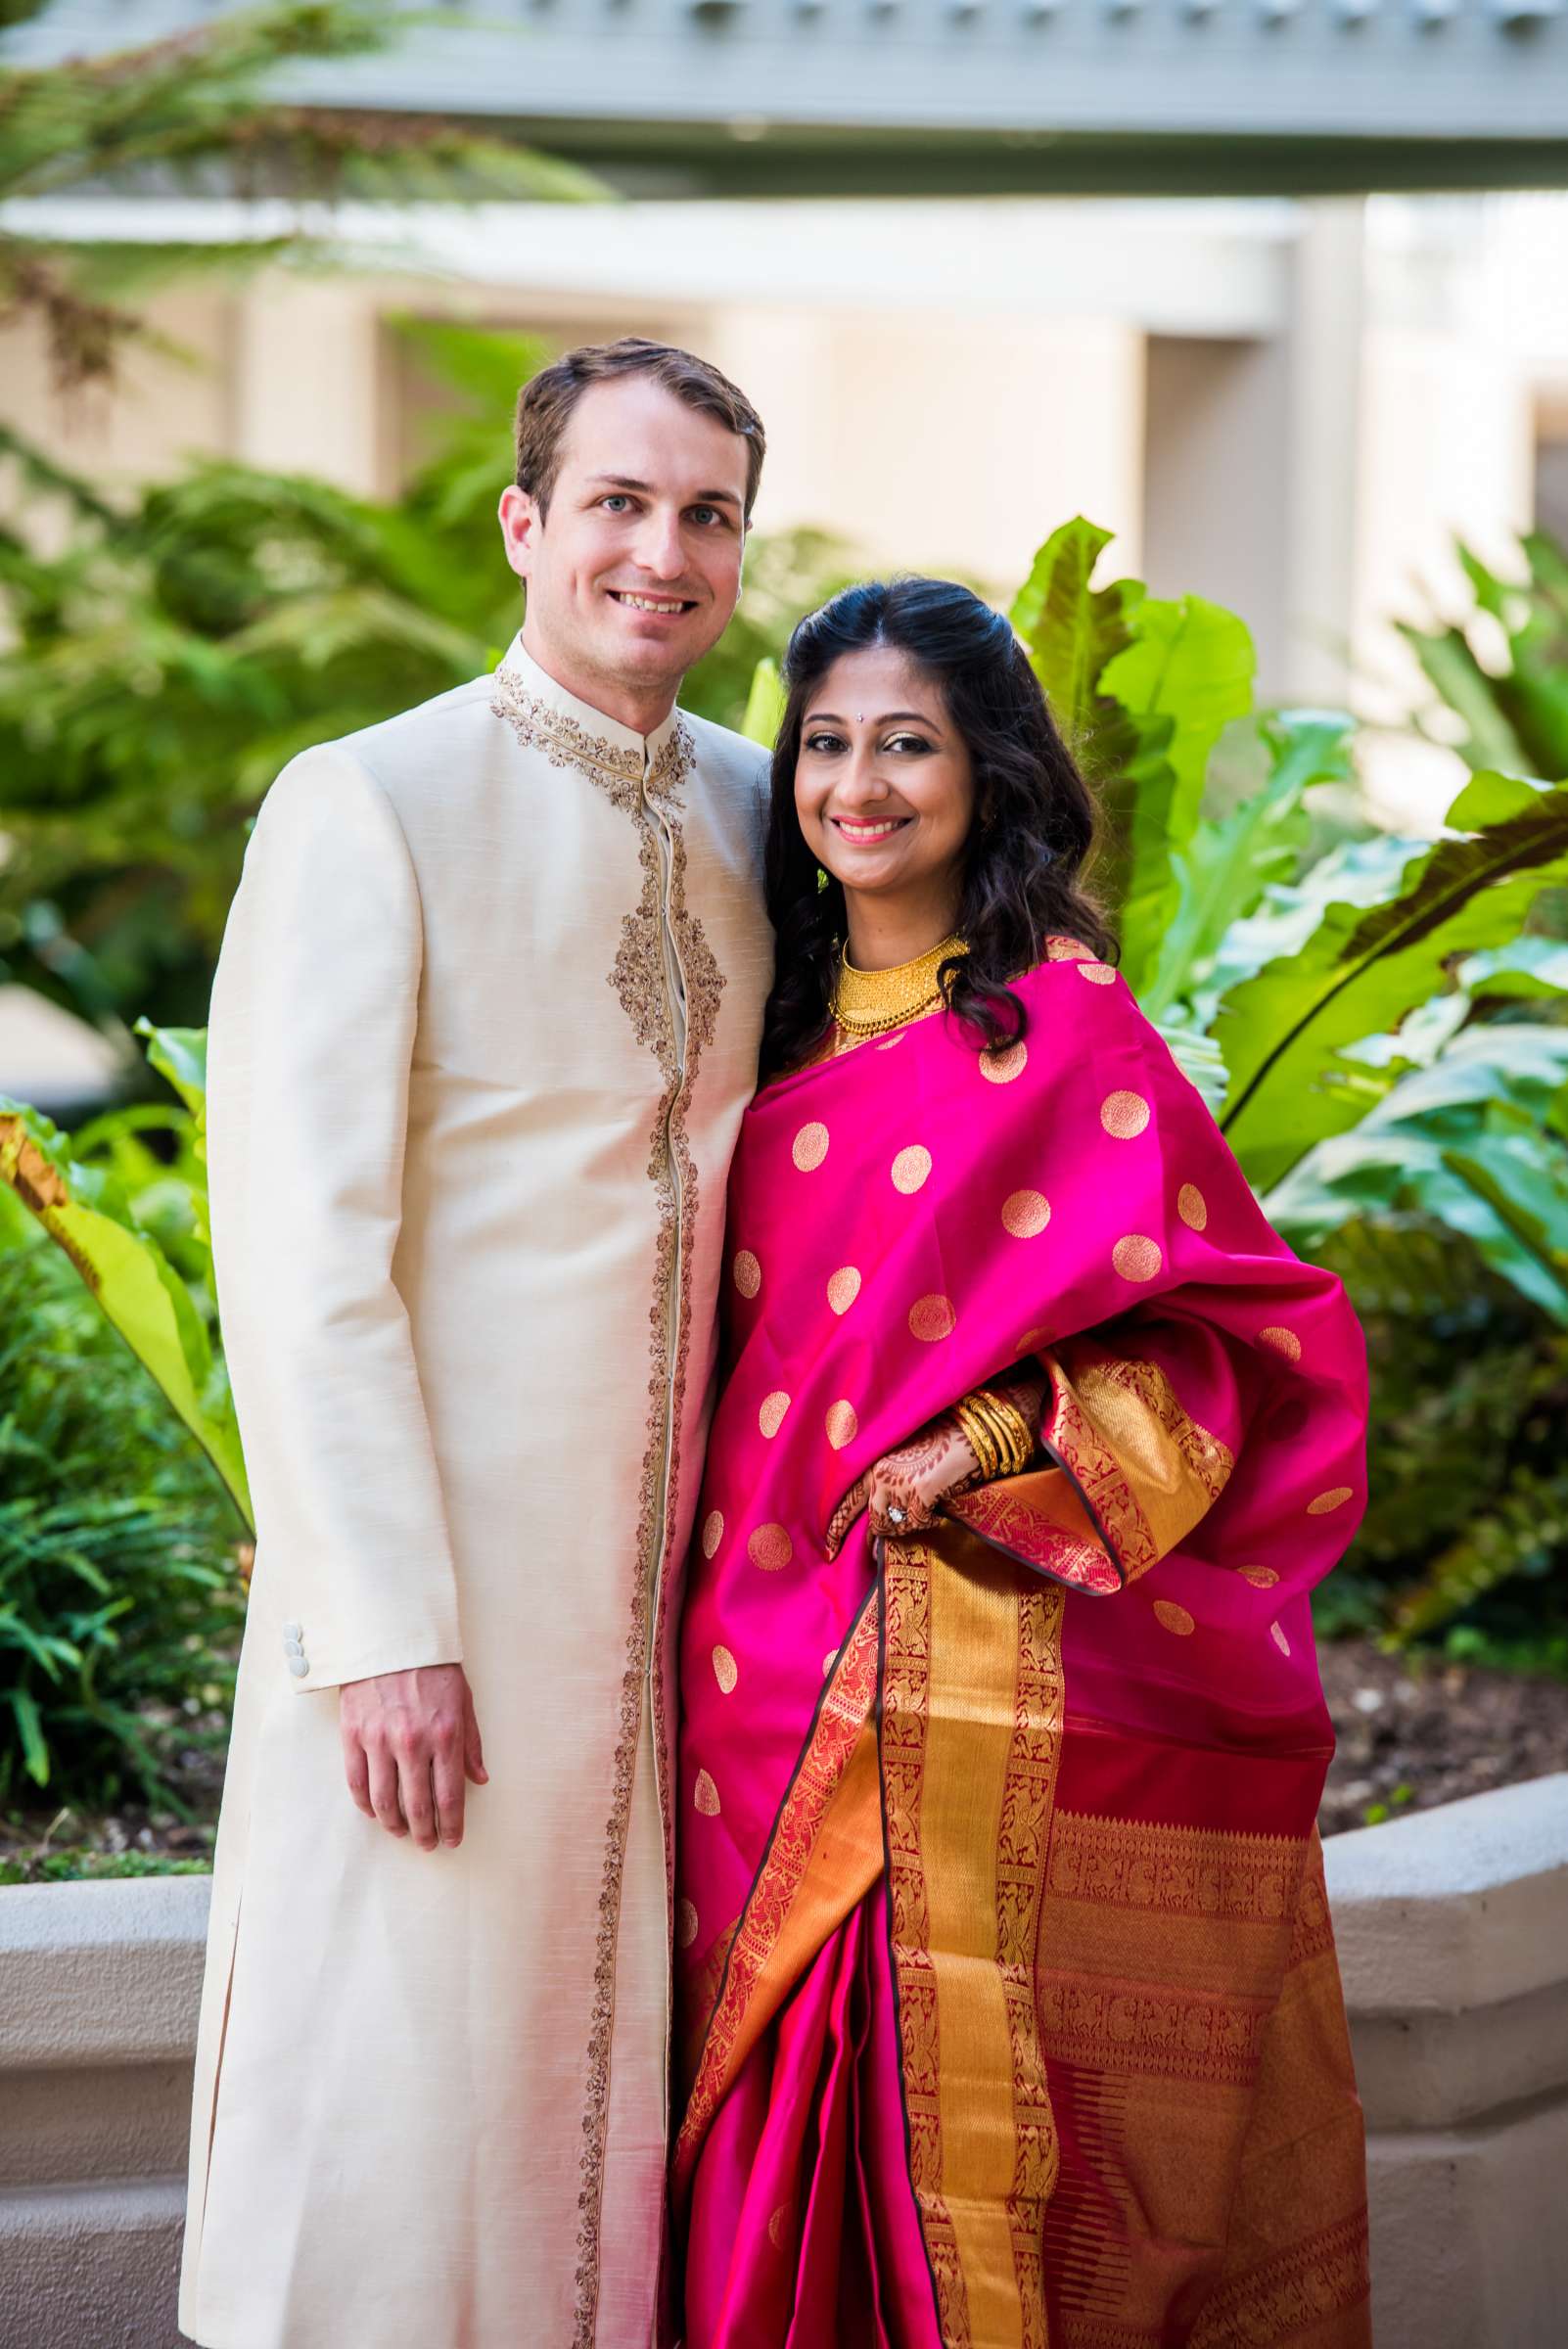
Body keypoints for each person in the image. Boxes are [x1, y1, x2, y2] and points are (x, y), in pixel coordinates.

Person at [672, 577, 1373, 2347]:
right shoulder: (748, 1018)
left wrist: (982, 1441)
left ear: (985, 769)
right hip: (735, 1669)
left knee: (930, 2111)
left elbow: (1221, 1344)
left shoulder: (1063, 1036)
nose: (858, 786)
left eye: (905, 744)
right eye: (825, 744)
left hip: (942, 1658)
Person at [179, 340, 775, 2349]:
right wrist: (382, 1627)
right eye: (616, 501)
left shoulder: (770, 817)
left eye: (704, 513)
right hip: (437, 1613)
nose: (659, 551)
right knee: (394, 2102)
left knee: (594, 2114)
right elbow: (296, 1249)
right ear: (526, 524)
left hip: (677, 1611)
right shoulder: (370, 801)